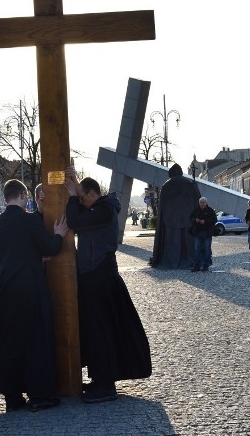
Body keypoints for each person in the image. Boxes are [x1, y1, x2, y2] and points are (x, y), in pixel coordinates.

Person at [0, 179, 67, 413]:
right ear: (22, 195)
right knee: (35, 340)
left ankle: (13, 398)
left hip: (3, 287)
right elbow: (50, 248)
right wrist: (58, 235)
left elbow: (2, 255)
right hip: (29, 285)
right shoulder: (29, 221)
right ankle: (39, 396)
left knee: (9, 342)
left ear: (5, 197)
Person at [65, 170, 152, 404]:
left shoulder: (103, 210)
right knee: (97, 332)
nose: (80, 202)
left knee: (100, 332)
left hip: (99, 277)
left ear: (92, 194)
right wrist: (75, 189)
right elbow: (82, 216)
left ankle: (105, 385)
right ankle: (100, 380)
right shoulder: (99, 208)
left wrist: (73, 196)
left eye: (83, 198)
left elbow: (74, 221)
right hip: (96, 276)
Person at [151, 164, 201, 268]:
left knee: (173, 242)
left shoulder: (166, 185)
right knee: (188, 243)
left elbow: (162, 205)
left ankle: (172, 261)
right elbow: (198, 199)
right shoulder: (189, 183)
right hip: (188, 219)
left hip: (170, 219)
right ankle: (190, 259)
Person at [189, 197, 217, 272]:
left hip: (207, 233)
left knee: (207, 250)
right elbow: (190, 218)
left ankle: (206, 265)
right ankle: (196, 266)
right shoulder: (196, 210)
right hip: (197, 232)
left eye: (203, 202)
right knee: (197, 250)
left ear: (206, 203)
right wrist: (195, 220)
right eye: (201, 202)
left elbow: (214, 220)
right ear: (199, 203)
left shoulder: (210, 211)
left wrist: (205, 222)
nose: (202, 204)